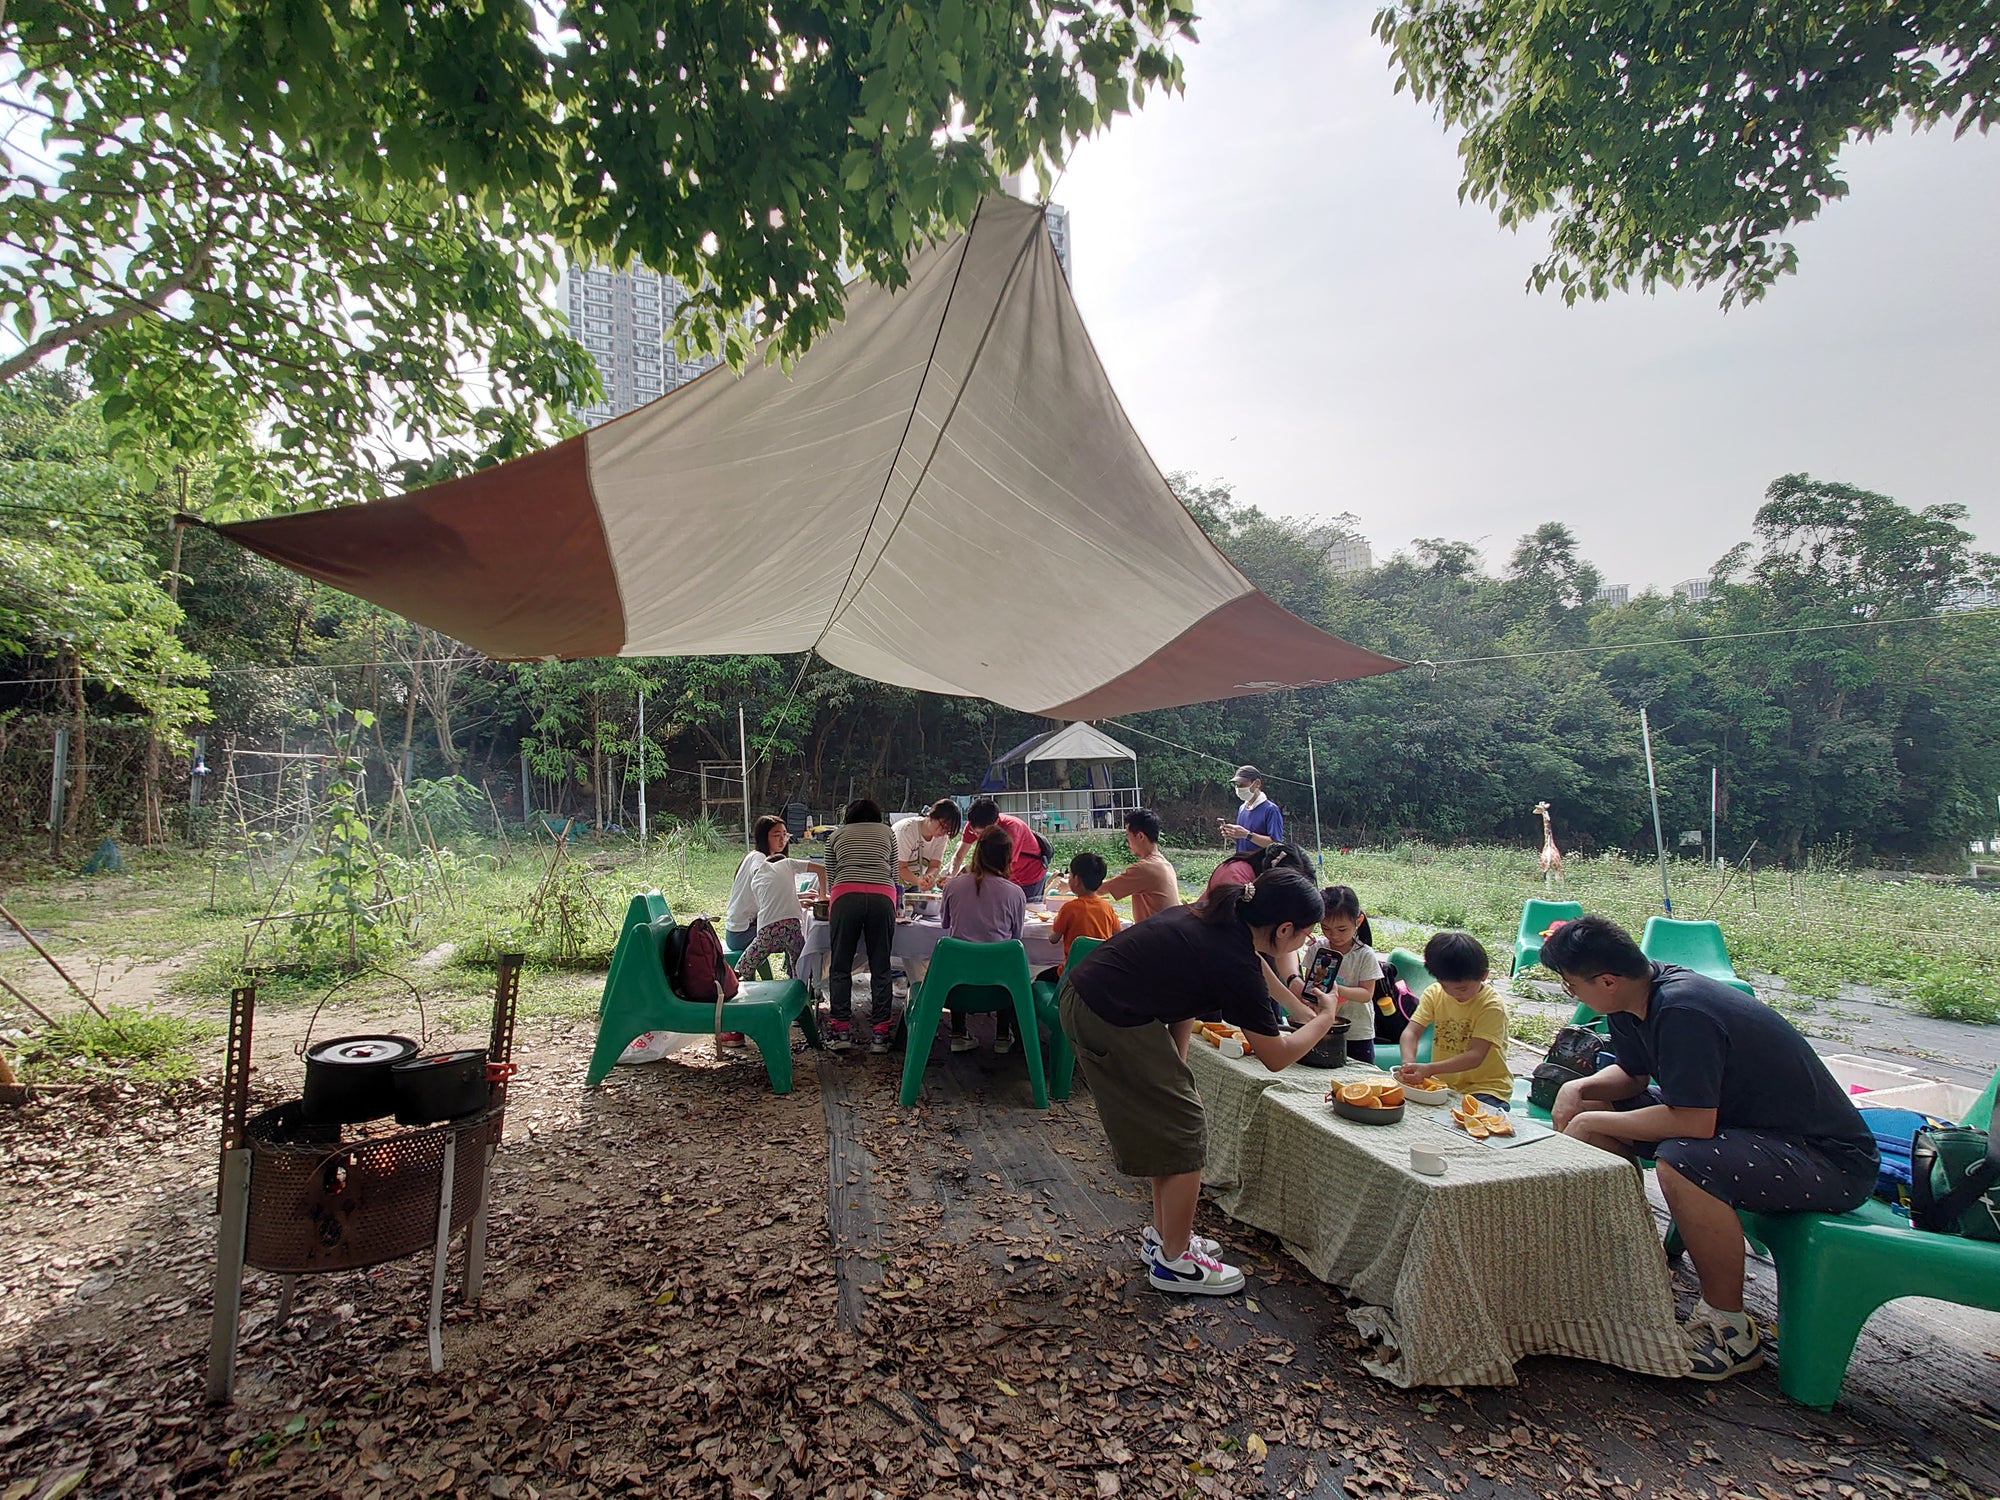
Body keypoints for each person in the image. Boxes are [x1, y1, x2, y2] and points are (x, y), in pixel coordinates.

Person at [1539, 916, 1879, 1383]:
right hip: (1741, 1126)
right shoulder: (1632, 999)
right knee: (1593, 1104)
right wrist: (1579, 1090)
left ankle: (1729, 1327)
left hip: (1824, 1157)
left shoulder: (1684, 1010)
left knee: (1683, 1162)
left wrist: (1589, 1120)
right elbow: (1633, 1076)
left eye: (1571, 985)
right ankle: (1625, 1259)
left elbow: (1693, 1122)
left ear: (1608, 981)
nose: (1570, 993)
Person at [1059, 868, 1344, 1296]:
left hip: (1094, 996)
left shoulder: (1220, 916)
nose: (1306, 943)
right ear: (1284, 929)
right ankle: (1175, 1263)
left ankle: (1165, 1239)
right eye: (1306, 934)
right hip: (1108, 1012)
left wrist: (1179, 1065)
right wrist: (1324, 1018)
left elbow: (1185, 987)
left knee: (1171, 1122)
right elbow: (1276, 1056)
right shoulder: (1234, 958)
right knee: (1185, 1129)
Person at [720, 815, 824, 1051]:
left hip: (747, 924)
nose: (782, 840)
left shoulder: (764, 859)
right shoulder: (759, 860)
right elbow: (766, 895)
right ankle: (795, 997)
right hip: (742, 931)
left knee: (792, 934)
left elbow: (768, 895)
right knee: (791, 935)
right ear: (762, 837)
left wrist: (796, 898)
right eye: (776, 835)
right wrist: (795, 901)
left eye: (784, 835)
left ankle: (798, 994)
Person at [1394, 931, 1514, 1110]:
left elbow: (1475, 1056)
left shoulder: (1491, 1006)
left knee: (1474, 1120)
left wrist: (1430, 1069)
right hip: (1443, 1085)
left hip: (1486, 1090)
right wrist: (1407, 1064)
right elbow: (1411, 1033)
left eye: (1462, 988)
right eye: (1445, 986)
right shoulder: (1435, 993)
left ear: (1484, 975)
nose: (1453, 994)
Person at [939, 826, 1027, 1054]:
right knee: (1006, 961)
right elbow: (1016, 938)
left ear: (978, 852)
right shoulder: (1015, 893)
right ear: (1008, 857)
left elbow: (945, 923)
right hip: (1000, 989)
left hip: (955, 987)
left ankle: (958, 1033)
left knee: (959, 955)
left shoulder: (953, 886)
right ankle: (1002, 1035)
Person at [822, 799, 900, 1055]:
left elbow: (832, 880)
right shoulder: (888, 832)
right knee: (881, 967)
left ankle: (840, 1031)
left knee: (840, 966)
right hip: (883, 896)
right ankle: (880, 1035)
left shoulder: (835, 835)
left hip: (845, 894)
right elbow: (894, 874)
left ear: (849, 816)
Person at [1296, 885, 1382, 1065]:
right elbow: (1308, 985)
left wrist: (1334, 989)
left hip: (1357, 1032)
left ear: (1358, 921)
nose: (1334, 935)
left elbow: (1366, 994)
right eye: (1326, 928)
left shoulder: (1364, 955)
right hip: (1321, 1026)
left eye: (1342, 929)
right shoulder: (1317, 949)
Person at [946, 797, 1049, 899]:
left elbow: (1002, 867)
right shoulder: (973, 825)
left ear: (996, 822)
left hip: (1029, 876)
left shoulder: (1011, 829)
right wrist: (951, 876)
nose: (979, 836)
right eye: (975, 832)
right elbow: (959, 856)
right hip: (1003, 875)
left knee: (1024, 907)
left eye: (982, 833)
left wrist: (971, 872)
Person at [1094, 808, 1182, 921]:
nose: (1127, 842)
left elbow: (1098, 889)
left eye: (1128, 836)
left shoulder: (1145, 868)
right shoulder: (1163, 863)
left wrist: (1074, 883)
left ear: (1140, 836)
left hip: (1155, 932)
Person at [1047, 851, 1121, 976]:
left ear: (1076, 880)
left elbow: (1053, 939)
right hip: (1099, 970)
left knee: (1040, 977)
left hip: (1072, 973)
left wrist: (1055, 923)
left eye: (1070, 875)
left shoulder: (1069, 908)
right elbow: (1118, 933)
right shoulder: (1107, 907)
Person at [893, 799, 962, 891]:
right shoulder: (906, 831)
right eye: (943, 826)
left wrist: (929, 877)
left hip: (913, 885)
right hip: (890, 882)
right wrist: (919, 881)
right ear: (932, 815)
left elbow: (935, 865)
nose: (943, 832)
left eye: (948, 830)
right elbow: (900, 867)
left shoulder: (942, 837)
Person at [1218, 765, 1283, 855]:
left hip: (1261, 862)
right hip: (1242, 860)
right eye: (1236, 785)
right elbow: (1246, 841)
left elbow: (1276, 845)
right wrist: (1233, 835)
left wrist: (1247, 835)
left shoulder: (1271, 810)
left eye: (1242, 785)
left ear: (1257, 784)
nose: (1238, 788)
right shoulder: (1242, 808)